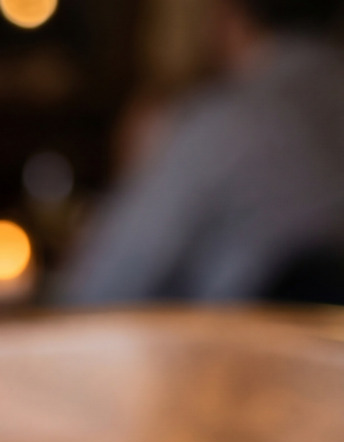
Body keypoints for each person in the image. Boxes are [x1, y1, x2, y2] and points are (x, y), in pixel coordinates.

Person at [60, 0, 344, 303]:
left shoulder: (224, 121)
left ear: (229, 14)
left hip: (251, 342)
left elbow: (102, 286)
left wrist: (135, 167)